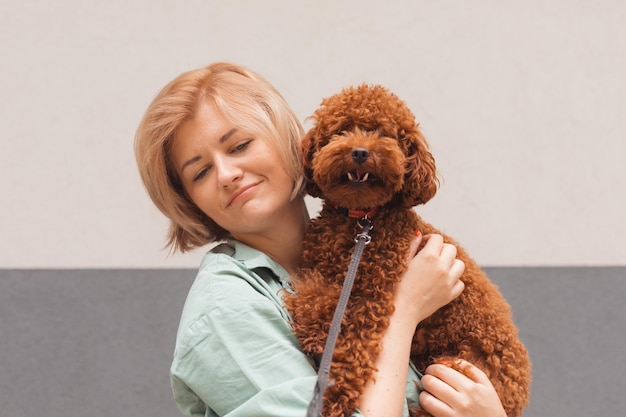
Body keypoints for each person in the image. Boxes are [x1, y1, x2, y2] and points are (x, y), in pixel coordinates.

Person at [135, 62, 507, 417]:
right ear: (189, 201)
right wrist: (404, 310)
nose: (228, 173)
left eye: (239, 146)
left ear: (287, 141)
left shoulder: (359, 253)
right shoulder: (224, 311)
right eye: (200, 172)